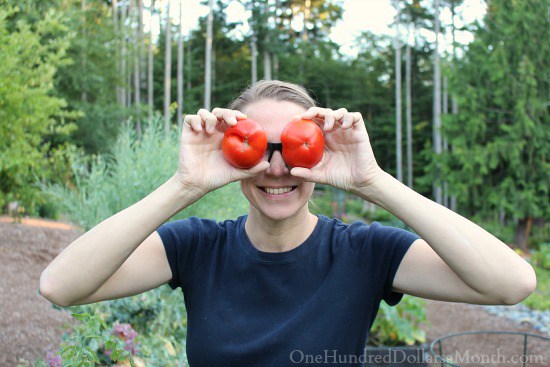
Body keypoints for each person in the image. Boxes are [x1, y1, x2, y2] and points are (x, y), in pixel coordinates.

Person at [40, 80, 536, 366]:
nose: (277, 169)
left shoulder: (365, 253)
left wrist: (372, 181)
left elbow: (512, 283)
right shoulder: (195, 248)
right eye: (257, 149)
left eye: (297, 148)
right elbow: (61, 286)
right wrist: (185, 185)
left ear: (322, 154)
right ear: (231, 158)